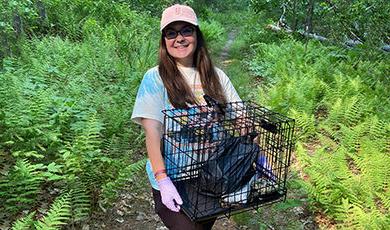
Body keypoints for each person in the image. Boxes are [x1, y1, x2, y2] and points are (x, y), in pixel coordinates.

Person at [131, 4, 241, 230]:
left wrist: (256, 155)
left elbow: (241, 118)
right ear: (164, 40)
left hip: (211, 176)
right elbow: (152, 132)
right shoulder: (155, 78)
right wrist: (162, 179)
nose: (179, 38)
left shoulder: (216, 77)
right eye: (171, 33)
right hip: (173, 179)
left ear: (197, 35)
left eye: (186, 31)